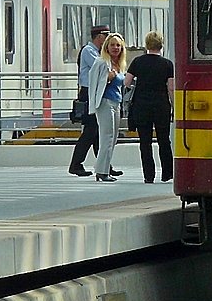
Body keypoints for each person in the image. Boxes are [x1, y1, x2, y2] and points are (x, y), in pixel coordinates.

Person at [68, 24, 121, 178]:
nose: (108, 41)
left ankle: (104, 165)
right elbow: (104, 68)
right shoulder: (89, 51)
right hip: (89, 93)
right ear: (99, 37)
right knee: (91, 131)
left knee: (98, 132)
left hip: (97, 92)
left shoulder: (96, 52)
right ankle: (76, 164)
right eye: (106, 37)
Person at [124, 31, 175, 184]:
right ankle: (167, 173)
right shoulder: (167, 64)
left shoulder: (138, 62)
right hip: (161, 105)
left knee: (145, 142)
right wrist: (174, 106)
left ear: (147, 45)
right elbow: (171, 88)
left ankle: (149, 175)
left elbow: (127, 82)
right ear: (161, 45)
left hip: (142, 105)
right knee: (164, 140)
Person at [88, 32, 128, 182]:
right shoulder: (101, 62)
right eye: (112, 45)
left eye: (118, 45)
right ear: (106, 47)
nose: (115, 48)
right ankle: (101, 172)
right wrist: (108, 79)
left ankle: (104, 169)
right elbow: (93, 83)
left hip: (116, 103)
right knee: (106, 137)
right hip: (104, 102)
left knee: (113, 138)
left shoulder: (120, 64)